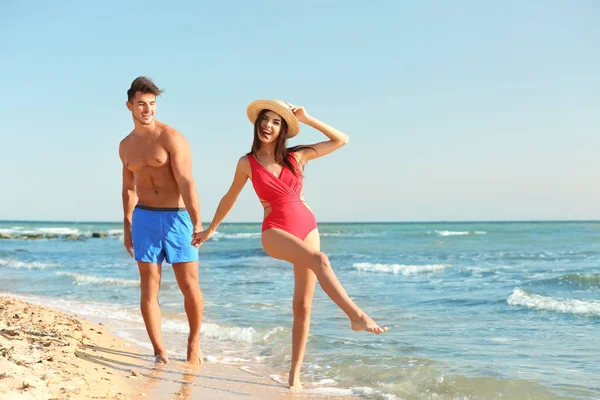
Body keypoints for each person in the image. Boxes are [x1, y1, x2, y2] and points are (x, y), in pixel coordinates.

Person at [195, 100, 387, 389]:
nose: (267, 125)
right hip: (275, 230)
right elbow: (230, 196)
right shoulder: (247, 162)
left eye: (275, 122)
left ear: (283, 129)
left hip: (308, 227)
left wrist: (307, 118)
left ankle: (294, 377)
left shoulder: (297, 157)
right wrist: (211, 228)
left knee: (303, 306)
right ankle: (356, 315)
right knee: (321, 260)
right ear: (257, 124)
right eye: (264, 119)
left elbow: (341, 139)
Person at [119, 76, 204, 365]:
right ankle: (159, 351)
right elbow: (129, 188)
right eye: (141, 104)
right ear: (129, 106)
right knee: (149, 283)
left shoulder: (171, 137)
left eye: (152, 104)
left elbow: (187, 182)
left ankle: (193, 343)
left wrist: (197, 223)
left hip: (177, 218)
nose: (147, 109)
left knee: (188, 284)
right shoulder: (125, 146)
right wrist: (127, 224)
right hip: (144, 218)